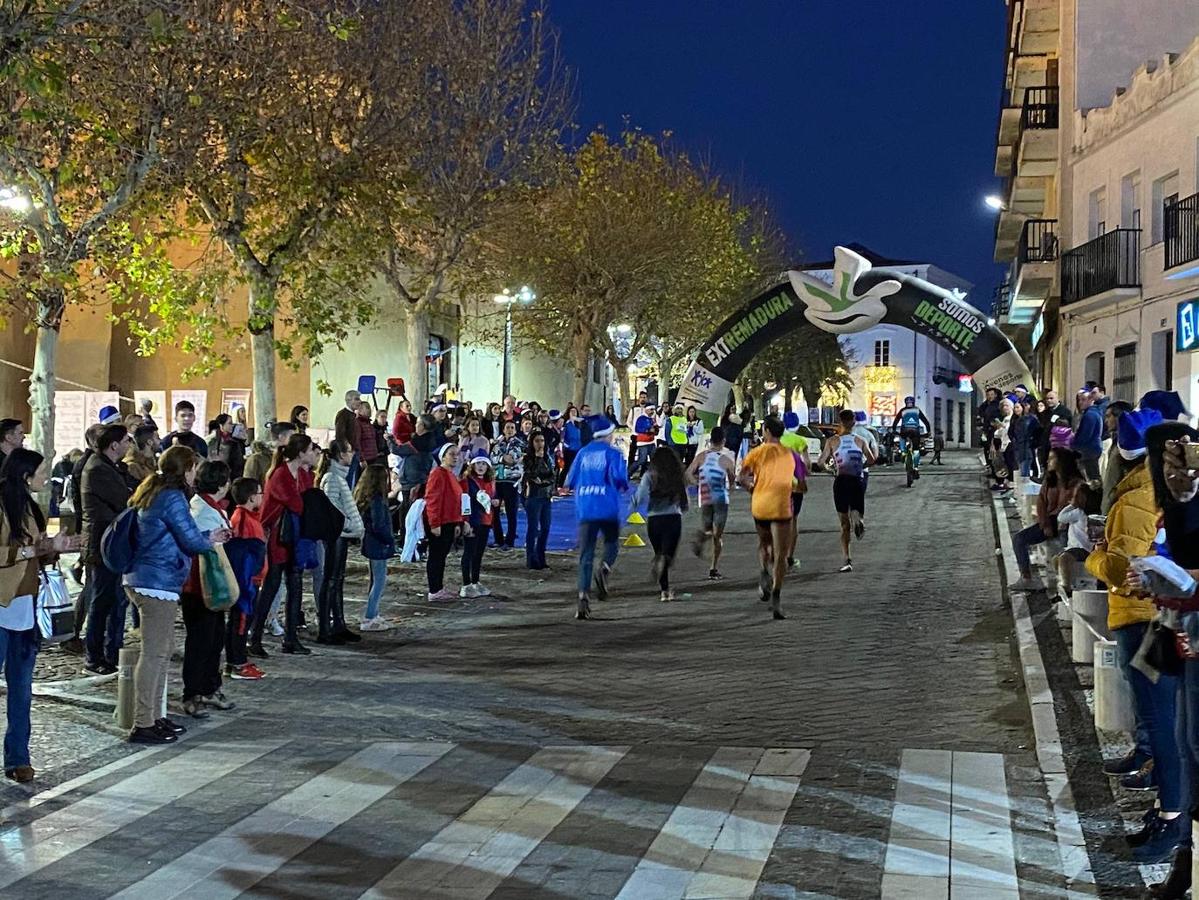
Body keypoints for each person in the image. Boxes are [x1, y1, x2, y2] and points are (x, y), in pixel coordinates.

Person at [1086, 408, 1186, 863]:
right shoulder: (1160, 497)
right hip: (1159, 618)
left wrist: (1092, 557)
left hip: (1146, 621)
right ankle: (1170, 816)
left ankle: (1173, 820)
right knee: (1167, 726)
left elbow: (1121, 571)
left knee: (1164, 728)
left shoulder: (1138, 500)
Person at [125, 446, 229, 744]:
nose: (197, 473)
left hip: (152, 578)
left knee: (163, 649)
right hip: (155, 581)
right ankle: (143, 722)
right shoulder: (171, 497)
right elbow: (190, 540)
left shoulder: (156, 491)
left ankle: (156, 717)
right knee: (155, 653)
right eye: (194, 467)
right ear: (185, 469)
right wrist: (207, 540)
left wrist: (205, 538)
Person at [0, 449, 81, 778]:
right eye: (41, 472)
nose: (46, 478)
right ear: (24, 475)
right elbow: (14, 552)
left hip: (27, 608)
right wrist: (35, 549)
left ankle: (18, 757)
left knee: (22, 689)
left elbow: (37, 555)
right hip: (3, 605)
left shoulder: (32, 508)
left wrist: (55, 549)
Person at [179, 460, 235, 719]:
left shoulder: (210, 507)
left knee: (214, 639)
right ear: (222, 484)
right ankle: (193, 693)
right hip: (199, 585)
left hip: (212, 583)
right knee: (200, 640)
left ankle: (210, 687)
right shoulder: (201, 509)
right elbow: (197, 543)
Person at [253, 433, 318, 656]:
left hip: (295, 537)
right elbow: (299, 504)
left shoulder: (302, 474)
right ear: (301, 453)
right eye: (310, 450)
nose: (313, 454)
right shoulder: (281, 475)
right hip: (278, 537)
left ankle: (291, 638)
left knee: (296, 585)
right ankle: (255, 637)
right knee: (271, 586)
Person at [80, 422, 136, 675]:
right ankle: (94, 655)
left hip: (114, 542)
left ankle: (112, 652)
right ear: (114, 445)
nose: (128, 445)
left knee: (115, 600)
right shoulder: (97, 469)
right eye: (126, 441)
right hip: (103, 543)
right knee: (101, 601)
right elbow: (125, 500)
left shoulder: (111, 467)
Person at [566, 414, 630, 620]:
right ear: (609, 434)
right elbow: (621, 480)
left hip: (585, 508)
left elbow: (569, 480)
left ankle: (583, 595)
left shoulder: (582, 453)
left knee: (586, 554)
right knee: (612, 543)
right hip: (607, 507)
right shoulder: (614, 454)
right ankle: (604, 567)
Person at [740, 417, 804, 617]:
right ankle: (776, 596)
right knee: (781, 555)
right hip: (781, 506)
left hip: (760, 504)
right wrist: (793, 486)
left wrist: (752, 488)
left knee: (764, 543)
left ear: (766, 431)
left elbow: (742, 477)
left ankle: (762, 570)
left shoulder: (756, 453)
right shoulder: (791, 454)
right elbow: (802, 483)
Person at [1009, 448, 1085, 590]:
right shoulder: (1049, 480)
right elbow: (1041, 503)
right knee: (1019, 539)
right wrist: (1045, 524)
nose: (1048, 462)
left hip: (1067, 524)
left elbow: (1073, 507)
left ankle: (1062, 587)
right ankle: (1026, 578)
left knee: (1062, 554)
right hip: (1049, 521)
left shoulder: (1077, 483)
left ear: (1061, 462)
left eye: (1052, 459)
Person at [815, 410, 876, 575]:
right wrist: (860, 467)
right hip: (857, 480)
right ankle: (858, 519)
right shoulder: (860, 440)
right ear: (854, 422)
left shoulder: (832, 441)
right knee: (856, 510)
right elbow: (871, 460)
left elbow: (821, 462)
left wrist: (830, 470)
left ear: (839, 422)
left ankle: (847, 559)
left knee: (844, 524)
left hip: (841, 480)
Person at [316, 439, 364, 642]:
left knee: (338, 579)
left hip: (343, 535)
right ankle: (325, 628)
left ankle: (339, 623)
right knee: (331, 579)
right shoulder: (332, 478)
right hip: (336, 535)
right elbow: (332, 508)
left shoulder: (339, 478)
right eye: (349, 451)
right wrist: (347, 524)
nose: (352, 455)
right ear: (341, 455)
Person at [225, 478, 267, 681]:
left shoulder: (251, 517)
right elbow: (241, 557)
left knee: (243, 621)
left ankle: (238, 659)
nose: (262, 496)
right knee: (239, 622)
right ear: (251, 497)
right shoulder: (241, 520)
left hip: (253, 581)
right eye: (260, 493)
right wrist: (246, 586)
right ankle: (236, 663)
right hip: (245, 584)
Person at [634, 447, 689, 602]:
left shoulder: (649, 476)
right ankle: (665, 586)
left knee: (659, 552)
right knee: (668, 554)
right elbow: (684, 498)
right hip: (673, 518)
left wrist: (631, 507)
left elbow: (640, 496)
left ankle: (664, 590)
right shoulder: (677, 475)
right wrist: (684, 508)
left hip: (654, 519)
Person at [687, 426, 735, 580]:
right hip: (720, 498)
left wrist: (697, 482)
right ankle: (713, 568)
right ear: (723, 441)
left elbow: (688, 473)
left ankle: (703, 537)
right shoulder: (727, 459)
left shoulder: (701, 456)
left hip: (705, 498)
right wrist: (732, 486)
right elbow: (733, 479)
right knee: (717, 535)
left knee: (708, 529)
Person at [354, 463, 396, 628]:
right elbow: (379, 525)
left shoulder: (367, 498)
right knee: (379, 581)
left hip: (371, 543)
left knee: (375, 579)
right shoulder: (377, 501)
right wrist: (389, 540)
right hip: (378, 544)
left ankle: (374, 613)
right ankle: (370, 616)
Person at [422, 445, 464, 603]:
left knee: (441, 556)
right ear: (443, 456)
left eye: (457, 454)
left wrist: (457, 522)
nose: (455, 457)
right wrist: (434, 523)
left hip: (449, 521)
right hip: (441, 522)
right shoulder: (438, 474)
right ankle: (434, 589)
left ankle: (438, 587)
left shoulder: (450, 474)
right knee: (436, 556)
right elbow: (432, 499)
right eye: (451, 454)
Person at [1052, 481, 1099, 601]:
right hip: (1082, 549)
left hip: (1079, 548)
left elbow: (1061, 517)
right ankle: (1065, 585)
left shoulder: (1078, 512)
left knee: (1063, 558)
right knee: (1056, 560)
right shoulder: (1090, 514)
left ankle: (1066, 588)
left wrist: (1072, 505)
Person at [460, 452, 496, 597]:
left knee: (479, 553)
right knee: (469, 552)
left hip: (486, 521)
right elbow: (465, 502)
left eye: (483, 464)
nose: (481, 467)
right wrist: (465, 521)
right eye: (478, 464)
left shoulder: (489, 481)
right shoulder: (468, 481)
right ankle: (466, 584)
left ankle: (475, 581)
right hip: (474, 520)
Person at [779, 412, 811, 570]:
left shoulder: (775, 441)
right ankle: (789, 557)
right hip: (795, 486)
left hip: (777, 485)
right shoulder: (800, 441)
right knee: (793, 521)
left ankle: (778, 555)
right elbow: (807, 465)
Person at [522, 431, 555, 571]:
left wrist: (543, 482)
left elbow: (552, 477)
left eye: (542, 440)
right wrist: (538, 459)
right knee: (533, 528)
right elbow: (531, 475)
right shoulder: (528, 459)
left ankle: (541, 557)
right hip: (533, 497)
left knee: (546, 528)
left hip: (546, 497)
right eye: (537, 441)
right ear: (532, 442)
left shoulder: (548, 457)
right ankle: (531, 559)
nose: (540, 444)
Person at [490, 419, 524, 550]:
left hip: (512, 481)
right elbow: (492, 458)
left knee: (511, 512)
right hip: (498, 480)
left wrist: (504, 459)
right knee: (495, 511)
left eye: (512, 428)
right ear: (503, 430)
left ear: (515, 430)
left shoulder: (519, 444)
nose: (509, 430)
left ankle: (509, 541)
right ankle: (498, 539)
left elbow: (516, 459)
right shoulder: (497, 444)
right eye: (507, 427)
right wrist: (502, 459)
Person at [1100, 401, 1134, 514]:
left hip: (1118, 505)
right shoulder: (1116, 441)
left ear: (1120, 417)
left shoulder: (1127, 447)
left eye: (1109, 416)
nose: (1106, 421)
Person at [891, 396, 931, 475]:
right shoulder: (917, 410)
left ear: (905, 403)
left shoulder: (902, 411)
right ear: (913, 403)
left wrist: (894, 430)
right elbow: (925, 421)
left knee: (902, 438)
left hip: (905, 430)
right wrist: (928, 431)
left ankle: (903, 452)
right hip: (915, 431)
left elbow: (896, 420)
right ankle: (916, 467)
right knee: (916, 450)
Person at [1072, 387, 1104, 481]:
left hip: (1089, 450)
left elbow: (1085, 435)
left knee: (1092, 477)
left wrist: (1074, 446)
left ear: (1091, 400)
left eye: (1083, 400)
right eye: (1079, 400)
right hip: (1093, 449)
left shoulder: (1090, 415)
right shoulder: (1093, 413)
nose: (1080, 402)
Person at [334, 389, 362, 486]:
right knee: (348, 479)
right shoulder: (343, 414)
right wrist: (345, 450)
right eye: (357, 399)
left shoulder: (354, 415)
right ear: (349, 400)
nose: (360, 401)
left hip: (355, 451)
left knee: (353, 478)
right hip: (347, 452)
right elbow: (340, 434)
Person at [206, 414, 245, 479]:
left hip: (229, 477)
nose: (232, 426)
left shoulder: (235, 441)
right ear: (221, 425)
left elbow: (238, 464)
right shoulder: (211, 441)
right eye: (230, 423)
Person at [630, 405, 658, 479]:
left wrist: (655, 430)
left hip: (651, 442)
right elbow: (637, 429)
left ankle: (649, 476)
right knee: (641, 460)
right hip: (643, 443)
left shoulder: (652, 419)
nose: (653, 411)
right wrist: (648, 430)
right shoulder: (641, 418)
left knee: (654, 460)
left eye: (653, 410)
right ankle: (628, 473)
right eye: (651, 409)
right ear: (647, 410)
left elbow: (655, 430)